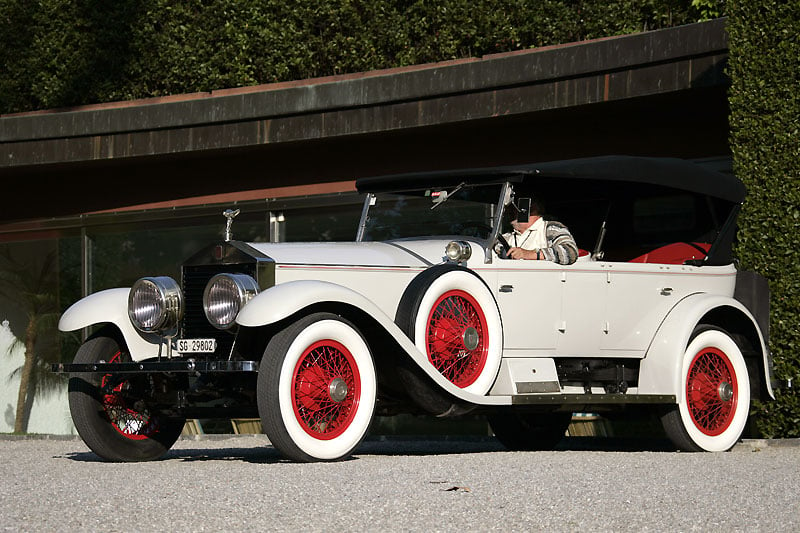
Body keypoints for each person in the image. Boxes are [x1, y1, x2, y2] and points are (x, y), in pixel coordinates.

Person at [500, 198, 579, 265]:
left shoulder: (550, 228)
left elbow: (570, 252)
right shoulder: (506, 236)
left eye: (514, 206)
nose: (508, 211)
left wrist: (529, 254)